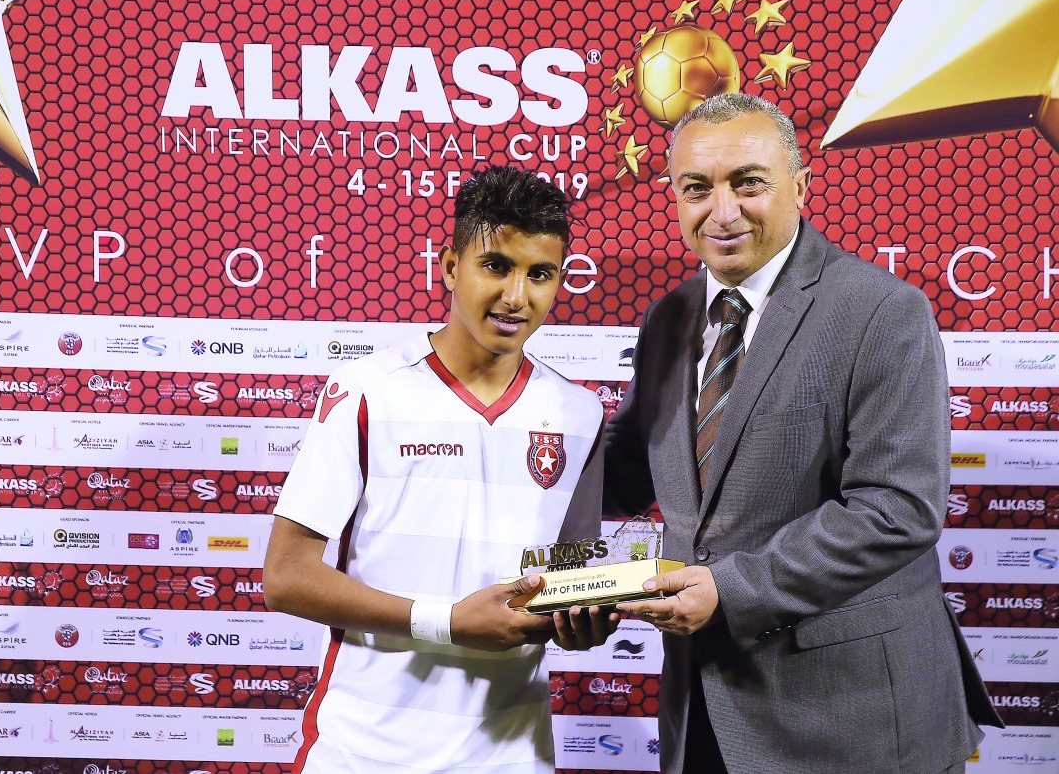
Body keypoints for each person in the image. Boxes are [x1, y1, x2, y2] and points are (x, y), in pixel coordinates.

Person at [605, 93, 1001, 774]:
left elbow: (897, 510)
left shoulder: (883, 311)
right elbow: (626, 475)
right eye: (696, 188)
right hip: (704, 710)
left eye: (747, 182)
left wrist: (727, 589)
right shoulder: (668, 318)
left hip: (853, 721)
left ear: (801, 184)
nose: (721, 212)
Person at [264, 165, 617, 774]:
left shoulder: (580, 414)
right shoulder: (368, 390)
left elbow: (567, 584)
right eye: (496, 266)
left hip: (510, 756)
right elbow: (287, 577)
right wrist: (448, 623)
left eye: (540, 274)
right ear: (451, 266)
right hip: (365, 754)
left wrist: (582, 620)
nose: (516, 296)